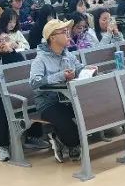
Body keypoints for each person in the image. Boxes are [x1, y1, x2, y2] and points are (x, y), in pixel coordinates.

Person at [0, 27, 47, 161]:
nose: (3, 43)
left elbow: (21, 67)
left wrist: (11, 52)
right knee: (0, 108)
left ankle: (33, 137)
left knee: (30, 98)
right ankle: (3, 146)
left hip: (8, 92)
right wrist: (0, 72)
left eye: (4, 40)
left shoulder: (5, 54)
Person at [29, 19, 93, 162]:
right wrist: (60, 76)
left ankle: (65, 139)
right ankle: (62, 139)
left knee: (91, 112)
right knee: (71, 131)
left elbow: (78, 67)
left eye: (67, 31)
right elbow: (34, 83)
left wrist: (88, 69)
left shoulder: (67, 54)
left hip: (68, 99)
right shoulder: (40, 60)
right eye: (64, 32)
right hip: (49, 103)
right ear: (52, 37)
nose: (68, 34)